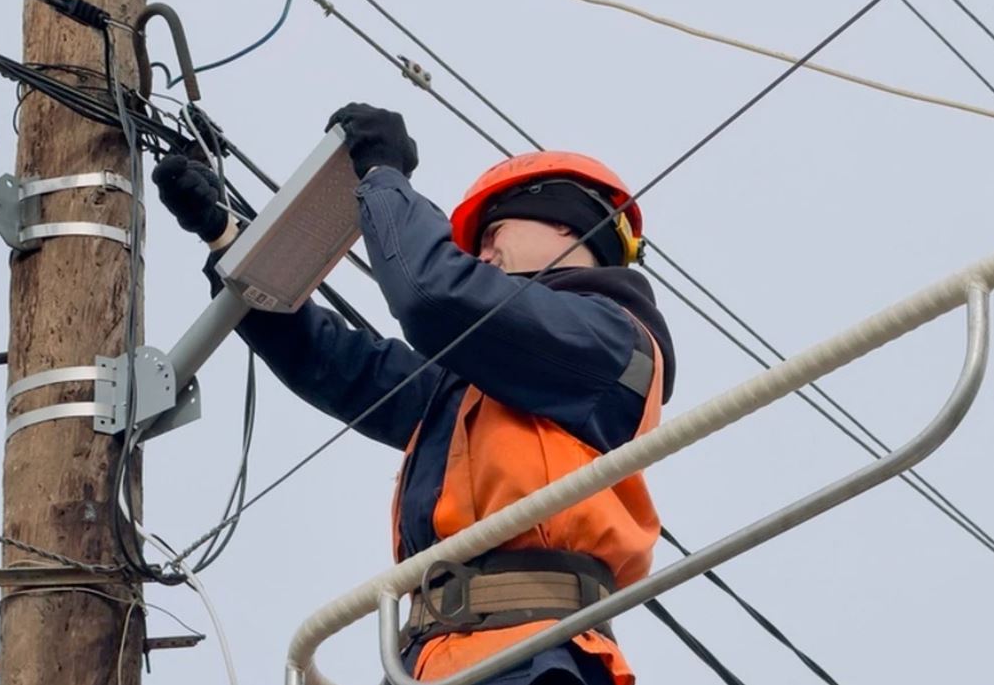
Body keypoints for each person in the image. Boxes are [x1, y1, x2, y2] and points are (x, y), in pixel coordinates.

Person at [152, 103, 676, 685]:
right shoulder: (480, 389)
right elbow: (340, 366)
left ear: (565, 225)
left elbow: (436, 295)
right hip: (440, 661)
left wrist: (383, 177)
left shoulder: (609, 341)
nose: (483, 254)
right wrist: (227, 235)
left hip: (536, 657)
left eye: (493, 233)